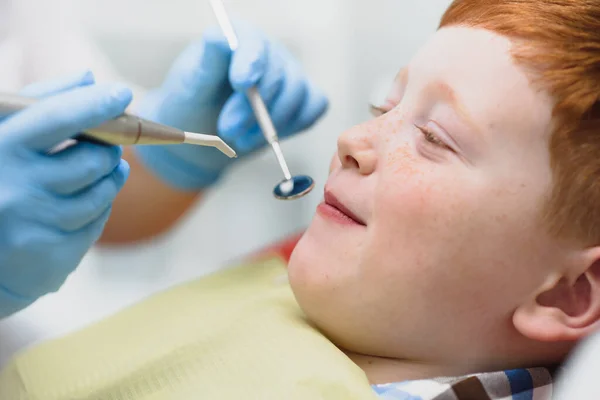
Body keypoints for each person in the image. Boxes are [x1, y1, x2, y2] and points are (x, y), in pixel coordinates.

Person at [1, 0, 600, 398]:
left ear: (565, 292)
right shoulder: (303, 280)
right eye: (382, 108)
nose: (352, 140)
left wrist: (164, 166)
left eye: (434, 138)